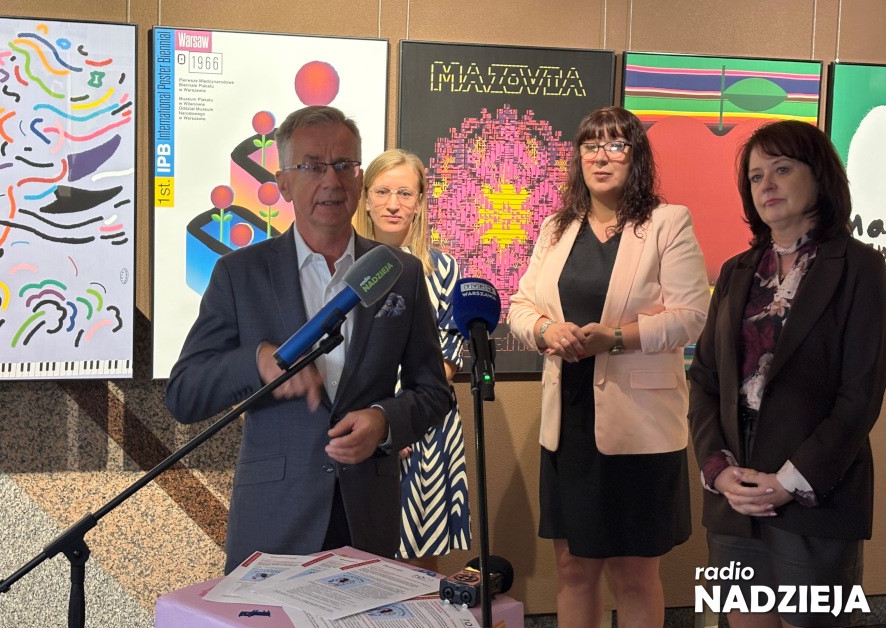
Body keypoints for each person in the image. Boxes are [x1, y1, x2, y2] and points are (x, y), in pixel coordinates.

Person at [165, 106, 452, 574]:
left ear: (359, 179)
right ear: (283, 183)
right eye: (313, 166)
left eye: (344, 165)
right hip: (274, 524)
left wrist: (384, 421)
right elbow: (183, 395)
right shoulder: (240, 274)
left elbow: (434, 392)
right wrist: (257, 362)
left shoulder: (399, 272)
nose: (331, 180)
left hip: (365, 521)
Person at [507, 105, 710, 628]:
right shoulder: (556, 228)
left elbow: (691, 317)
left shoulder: (666, 222)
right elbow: (521, 305)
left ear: (635, 155)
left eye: (616, 145)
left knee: (633, 575)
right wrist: (545, 330)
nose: (601, 156)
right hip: (569, 424)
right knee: (573, 569)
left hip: (640, 428)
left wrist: (616, 338)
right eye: (591, 145)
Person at [688, 120, 886, 628]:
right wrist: (718, 470)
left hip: (816, 492)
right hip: (736, 494)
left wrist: (790, 482)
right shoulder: (735, 271)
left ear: (819, 176)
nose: (767, 185)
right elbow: (705, 379)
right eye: (756, 177)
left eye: (782, 169)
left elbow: (860, 395)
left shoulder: (862, 269)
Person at [352, 149, 470, 563]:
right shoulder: (345, 268)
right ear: (366, 198)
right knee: (361, 560)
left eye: (404, 193)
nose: (393, 204)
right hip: (358, 422)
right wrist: (379, 419)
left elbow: (449, 354)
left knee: (420, 559)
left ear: (419, 202)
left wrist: (400, 418)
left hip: (424, 425)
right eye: (382, 192)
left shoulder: (444, 270)